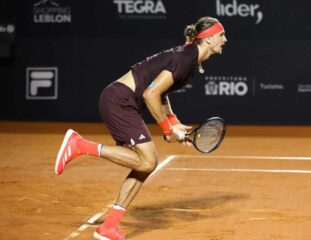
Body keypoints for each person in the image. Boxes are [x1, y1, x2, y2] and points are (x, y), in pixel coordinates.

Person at [54, 16, 227, 240]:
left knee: (144, 167)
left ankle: (108, 227)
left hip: (123, 102)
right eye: (222, 35)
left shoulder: (190, 59)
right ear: (209, 38)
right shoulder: (186, 58)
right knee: (148, 161)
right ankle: (80, 145)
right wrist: (167, 130)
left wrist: (173, 121)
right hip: (119, 101)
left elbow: (161, 91)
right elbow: (150, 94)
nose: (225, 39)